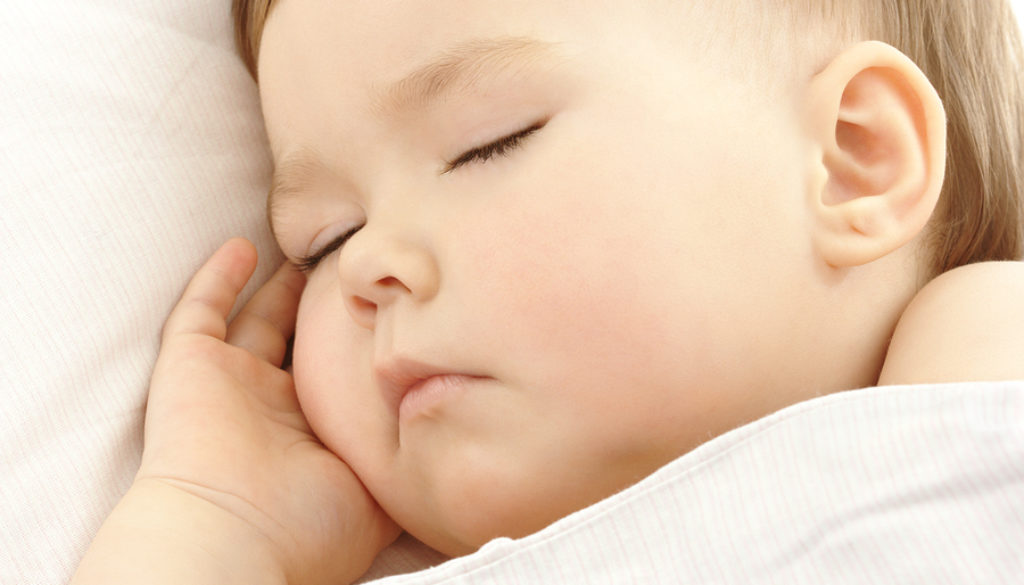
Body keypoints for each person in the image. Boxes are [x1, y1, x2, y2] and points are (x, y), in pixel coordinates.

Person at [72, 1, 1024, 584]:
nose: (366, 268)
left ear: (855, 160)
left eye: (489, 141)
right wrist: (212, 520)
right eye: (323, 240)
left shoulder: (969, 383)